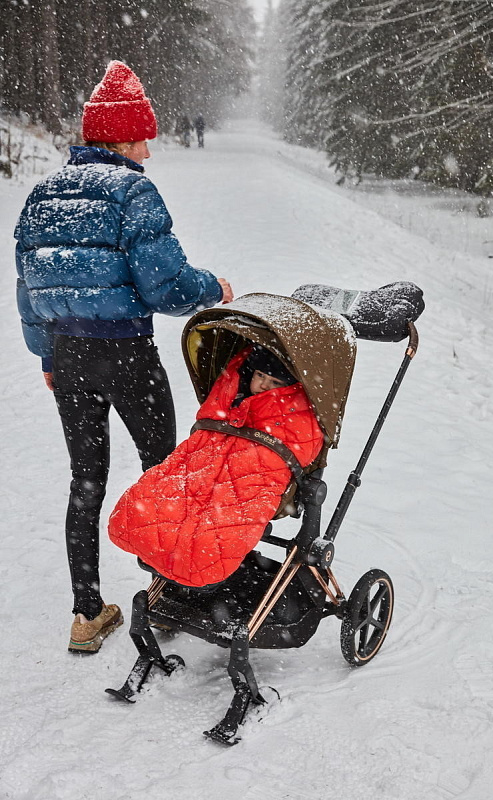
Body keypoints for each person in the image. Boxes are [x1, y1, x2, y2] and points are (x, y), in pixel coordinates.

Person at [15, 60, 234, 654]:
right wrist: (213, 289)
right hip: (127, 355)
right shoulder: (133, 191)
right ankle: (166, 594)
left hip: (70, 356)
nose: (148, 152)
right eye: (142, 140)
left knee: (86, 480)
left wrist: (47, 357)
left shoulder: (42, 195)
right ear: (123, 139)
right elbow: (166, 287)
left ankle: (87, 613)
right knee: (162, 469)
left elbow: (29, 290)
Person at [108, 344, 324, 588]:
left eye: (275, 382)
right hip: (204, 462)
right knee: (154, 504)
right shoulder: (231, 398)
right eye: (260, 375)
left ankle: (185, 562)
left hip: (253, 473)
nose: (263, 385)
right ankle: (179, 561)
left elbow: (301, 443)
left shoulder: (296, 415)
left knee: (213, 531)